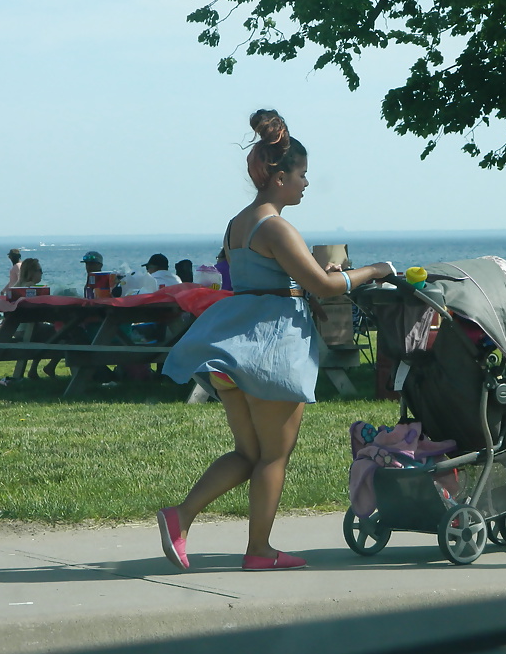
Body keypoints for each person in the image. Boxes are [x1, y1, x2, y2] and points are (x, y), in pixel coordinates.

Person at [157, 109, 393, 572]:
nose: (307, 183)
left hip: (233, 341)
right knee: (273, 456)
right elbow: (324, 288)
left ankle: (180, 516)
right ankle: (258, 550)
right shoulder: (276, 225)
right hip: (272, 346)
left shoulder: (238, 223)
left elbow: (271, 277)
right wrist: (374, 272)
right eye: (302, 175)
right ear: (280, 176)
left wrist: (315, 275)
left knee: (248, 453)